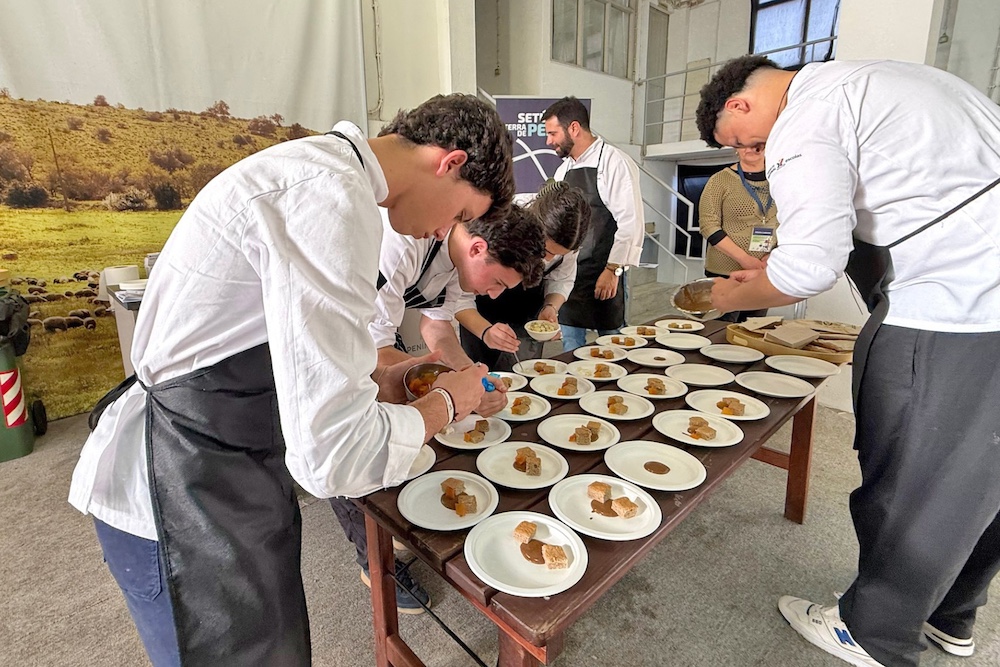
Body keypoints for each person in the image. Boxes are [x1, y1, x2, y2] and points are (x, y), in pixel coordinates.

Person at [68, 93, 515, 666]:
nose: (443, 232)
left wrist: (400, 377)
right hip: (176, 495)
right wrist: (444, 407)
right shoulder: (329, 197)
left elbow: (305, 368)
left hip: (226, 469)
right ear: (449, 162)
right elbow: (333, 457)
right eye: (457, 214)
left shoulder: (324, 174)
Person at [697, 55, 1000, 667]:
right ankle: (951, 614)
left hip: (955, 307)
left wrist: (736, 293)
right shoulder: (889, 79)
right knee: (979, 475)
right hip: (986, 306)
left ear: (738, 105)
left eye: (741, 144)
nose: (749, 155)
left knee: (908, 470)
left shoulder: (807, 113)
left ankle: (874, 632)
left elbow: (811, 264)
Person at [329, 203, 544, 612]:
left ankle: (383, 536)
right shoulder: (402, 245)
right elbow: (371, 353)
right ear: (478, 247)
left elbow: (438, 328)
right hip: (334, 353)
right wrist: (447, 391)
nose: (494, 295)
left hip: (365, 346)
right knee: (350, 459)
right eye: (497, 282)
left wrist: (475, 379)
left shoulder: (460, 260)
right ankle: (373, 562)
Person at [541, 96, 645, 351]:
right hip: (571, 277)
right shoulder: (563, 171)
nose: (548, 141)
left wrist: (612, 271)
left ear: (574, 128)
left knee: (614, 348)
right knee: (571, 351)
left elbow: (630, 221)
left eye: (553, 133)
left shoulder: (614, 162)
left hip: (603, 270)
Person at [458, 180, 591, 370]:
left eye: (557, 255)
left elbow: (562, 278)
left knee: (525, 374)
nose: (547, 260)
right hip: (481, 310)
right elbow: (459, 296)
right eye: (545, 250)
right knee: (481, 377)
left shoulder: (570, 237)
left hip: (526, 312)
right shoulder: (503, 221)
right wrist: (485, 330)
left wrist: (551, 307)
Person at [698, 144, 778, 322]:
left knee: (752, 332)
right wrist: (746, 260)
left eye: (759, 144)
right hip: (724, 272)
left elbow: (791, 223)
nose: (751, 148)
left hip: (763, 271)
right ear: (735, 148)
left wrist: (773, 256)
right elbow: (708, 225)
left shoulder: (780, 180)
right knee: (719, 334)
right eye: (743, 144)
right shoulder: (720, 180)